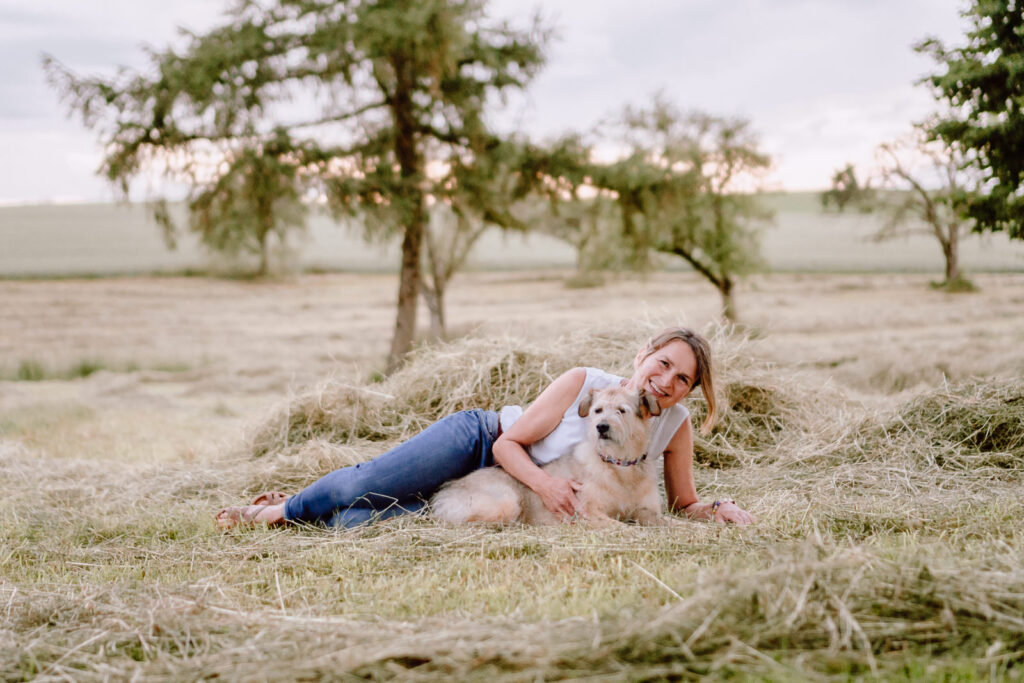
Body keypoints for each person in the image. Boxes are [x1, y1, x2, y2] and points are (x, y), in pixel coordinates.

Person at [215, 327, 756, 529]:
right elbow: (507, 443)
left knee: (375, 521)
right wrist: (546, 485)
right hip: (482, 442)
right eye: (662, 364)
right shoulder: (587, 383)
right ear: (644, 355)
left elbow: (683, 501)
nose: (667, 380)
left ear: (688, 391)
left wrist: (720, 508)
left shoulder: (675, 424)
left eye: (682, 378)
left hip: (508, 490)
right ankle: (274, 511)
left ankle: (312, 510)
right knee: (368, 483)